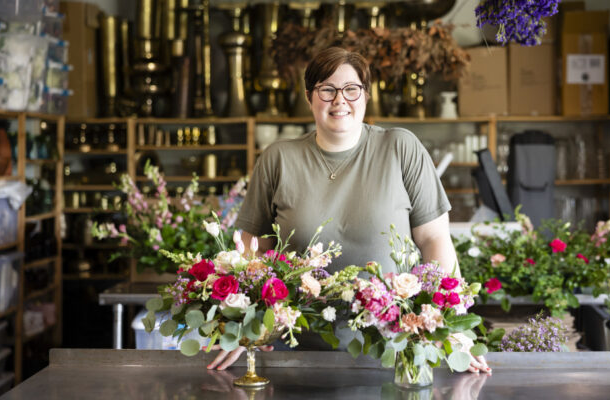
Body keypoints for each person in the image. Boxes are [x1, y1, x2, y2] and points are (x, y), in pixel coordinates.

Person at [207, 47, 490, 374]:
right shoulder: (278, 158)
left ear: (366, 96)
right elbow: (252, 251)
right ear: (310, 97)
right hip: (295, 348)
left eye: (351, 89)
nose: (340, 100)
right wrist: (240, 324)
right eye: (327, 90)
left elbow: (434, 240)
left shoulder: (401, 147)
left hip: (394, 343)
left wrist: (450, 325)